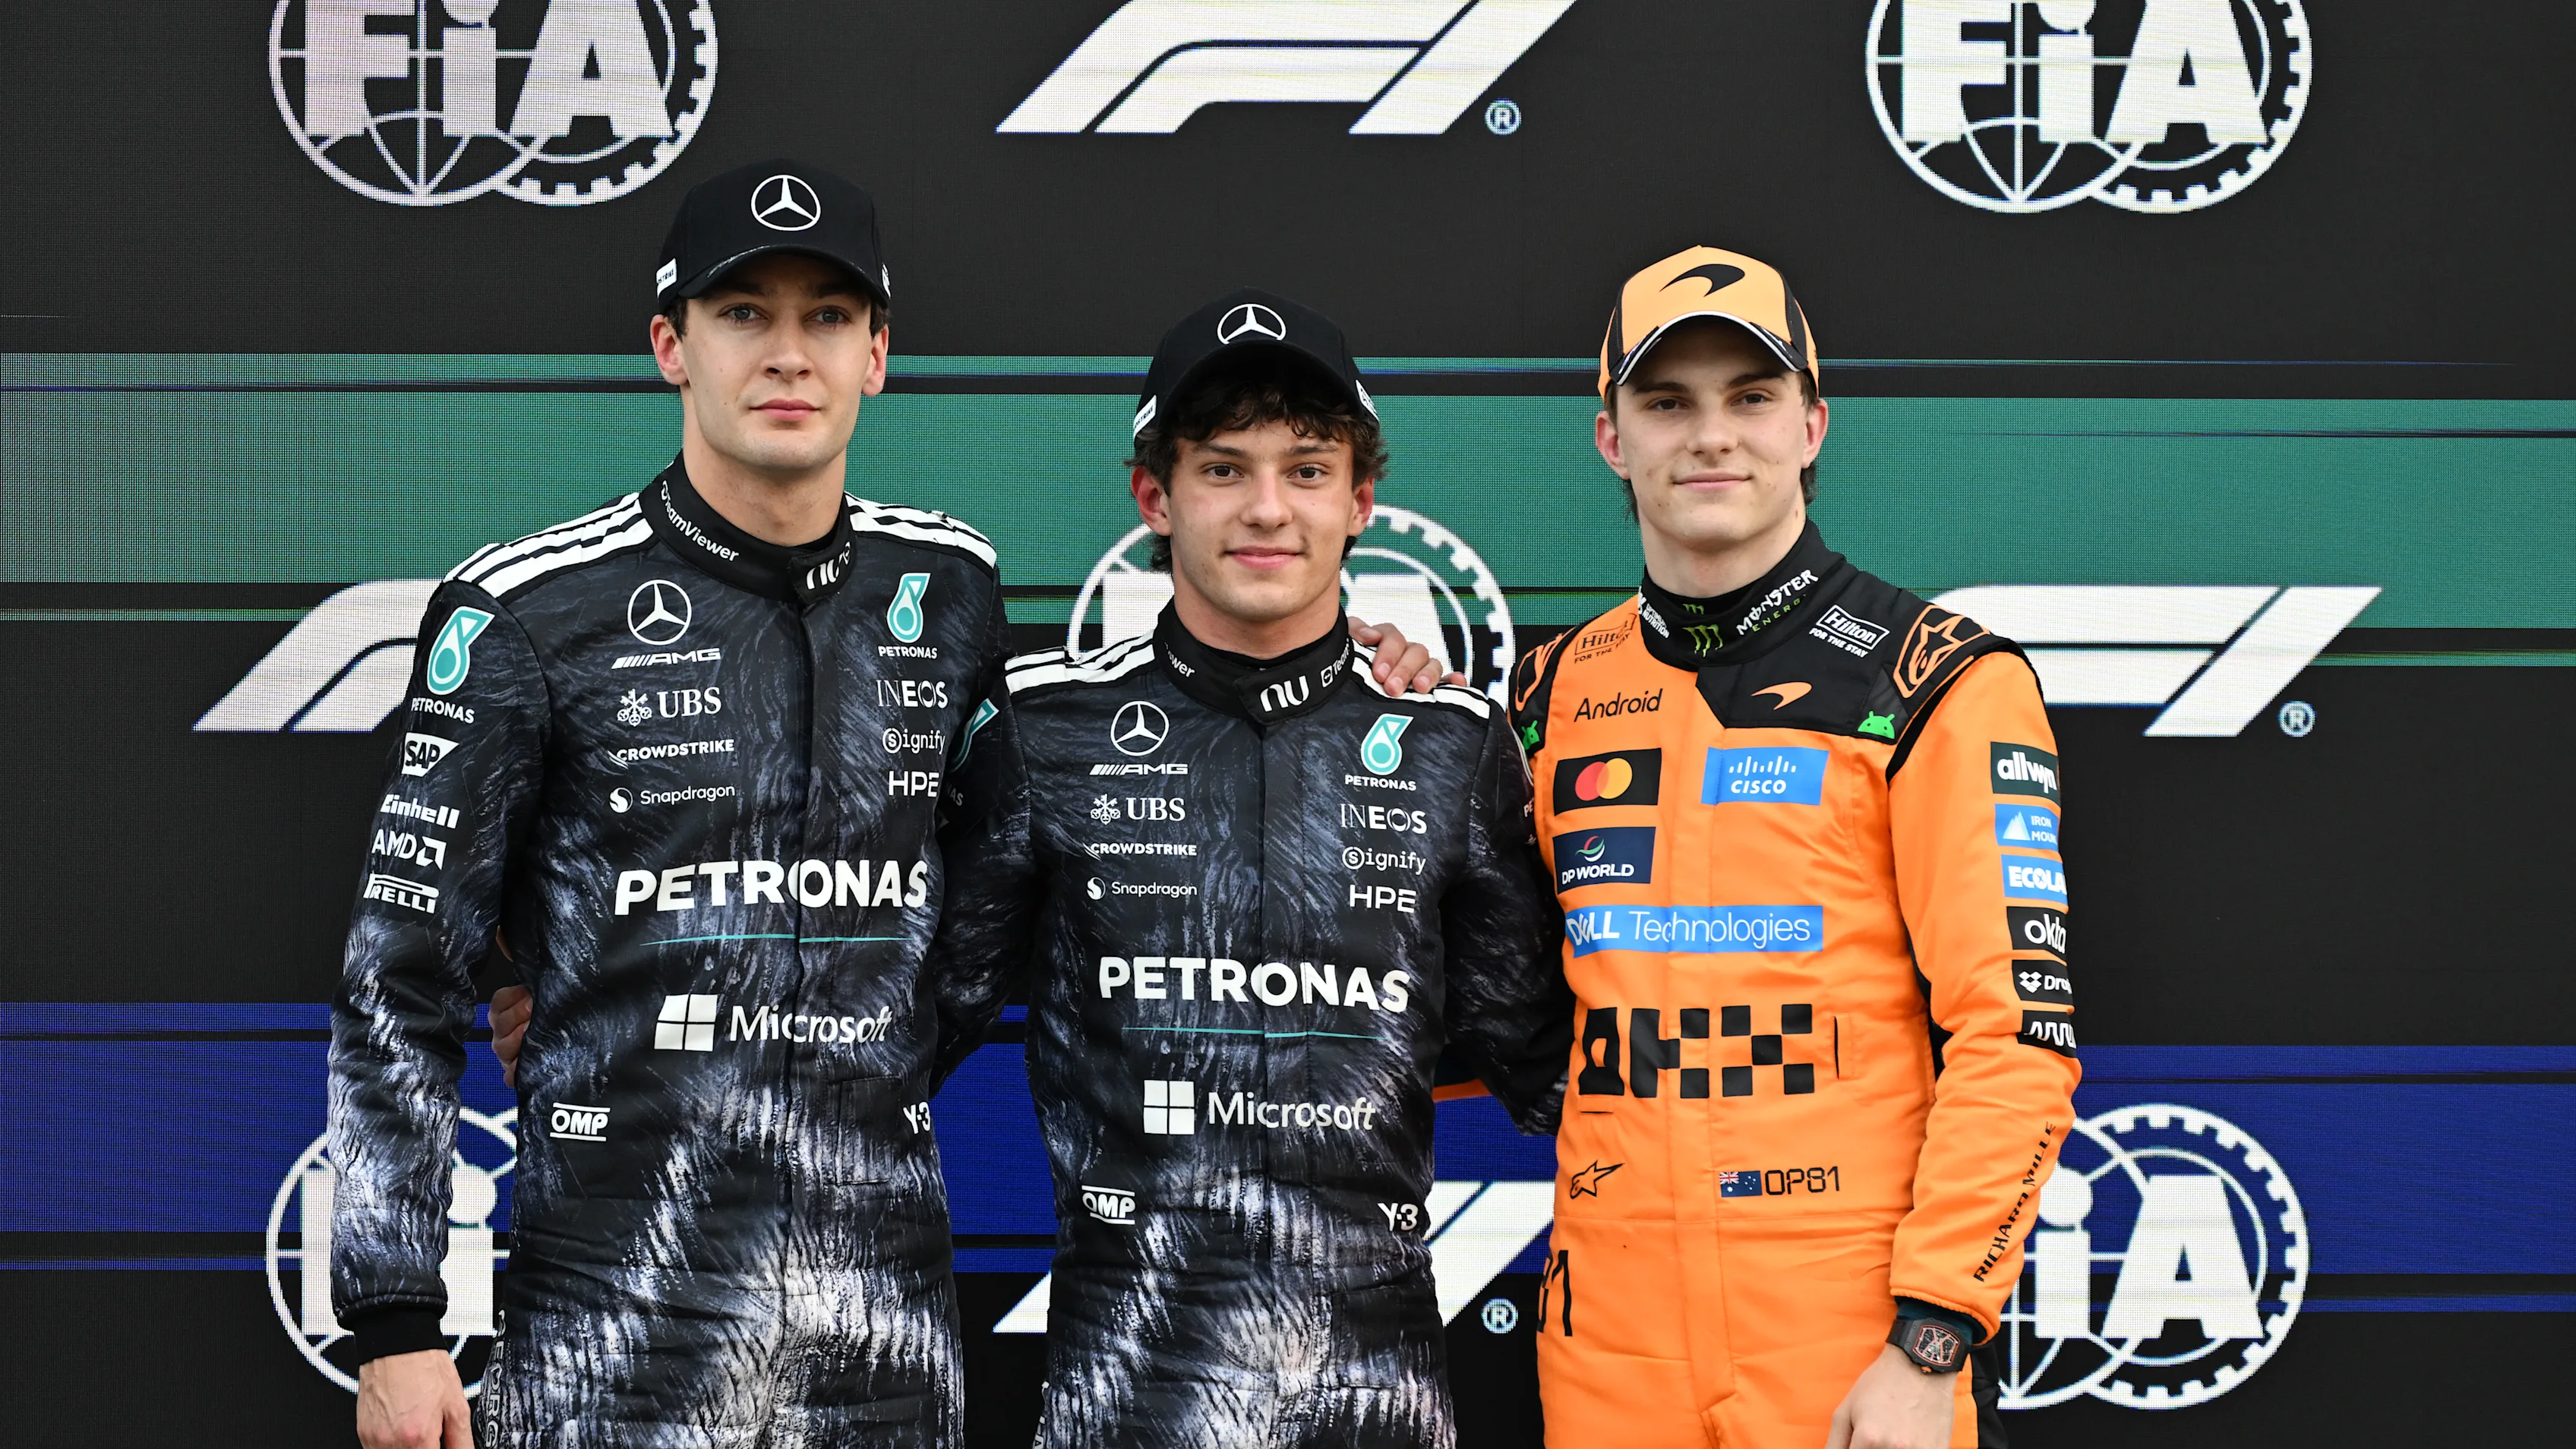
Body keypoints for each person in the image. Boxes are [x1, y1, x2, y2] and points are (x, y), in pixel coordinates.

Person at [333, 159, 1448, 1449]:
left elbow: (981, 923)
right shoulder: (527, 610)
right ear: (669, 347)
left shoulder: (952, 589)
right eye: (742, 313)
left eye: (826, 317)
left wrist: (1351, 673)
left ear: (877, 352)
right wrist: (399, 1321)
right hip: (619, 1318)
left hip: (884, 1333)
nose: (785, 354)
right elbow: (399, 973)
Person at [497, 289, 1571, 1446]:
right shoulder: (1047, 730)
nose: (1268, 510)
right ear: (1153, 496)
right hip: (1126, 1400)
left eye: (1308, 472)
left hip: (1381, 1403)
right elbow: (892, 1008)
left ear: (1362, 501)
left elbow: (1544, 1056)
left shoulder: (1456, 744)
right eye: (1222, 470)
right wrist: (606, 1015)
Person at [1507, 248, 2081, 1449]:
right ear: (1612, 438)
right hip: (1608, 1323)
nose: (1711, 436)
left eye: (1751, 397)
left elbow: (2014, 1034)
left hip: (1844, 1325)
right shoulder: (1551, 690)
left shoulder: (1938, 680)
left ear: (1813, 424)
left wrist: (1933, 1341)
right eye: (1667, 401)